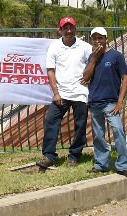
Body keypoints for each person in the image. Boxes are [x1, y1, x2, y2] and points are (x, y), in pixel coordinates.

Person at [37, 16, 93, 169]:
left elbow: (94, 63)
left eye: (71, 27)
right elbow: (50, 70)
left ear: (76, 29)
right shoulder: (54, 47)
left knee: (80, 125)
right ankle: (49, 156)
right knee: (50, 121)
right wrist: (56, 93)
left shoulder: (85, 47)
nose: (68, 31)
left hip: (80, 92)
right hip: (61, 93)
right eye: (65, 28)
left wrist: (89, 77)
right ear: (59, 30)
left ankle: (74, 156)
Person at [82, 26, 127, 178]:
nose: (97, 41)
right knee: (98, 135)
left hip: (111, 103)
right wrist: (94, 58)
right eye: (94, 38)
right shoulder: (91, 57)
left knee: (118, 130)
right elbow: (86, 78)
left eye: (100, 38)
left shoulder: (116, 56)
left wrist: (120, 101)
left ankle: (124, 165)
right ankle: (101, 164)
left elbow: (125, 77)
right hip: (95, 102)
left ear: (106, 39)